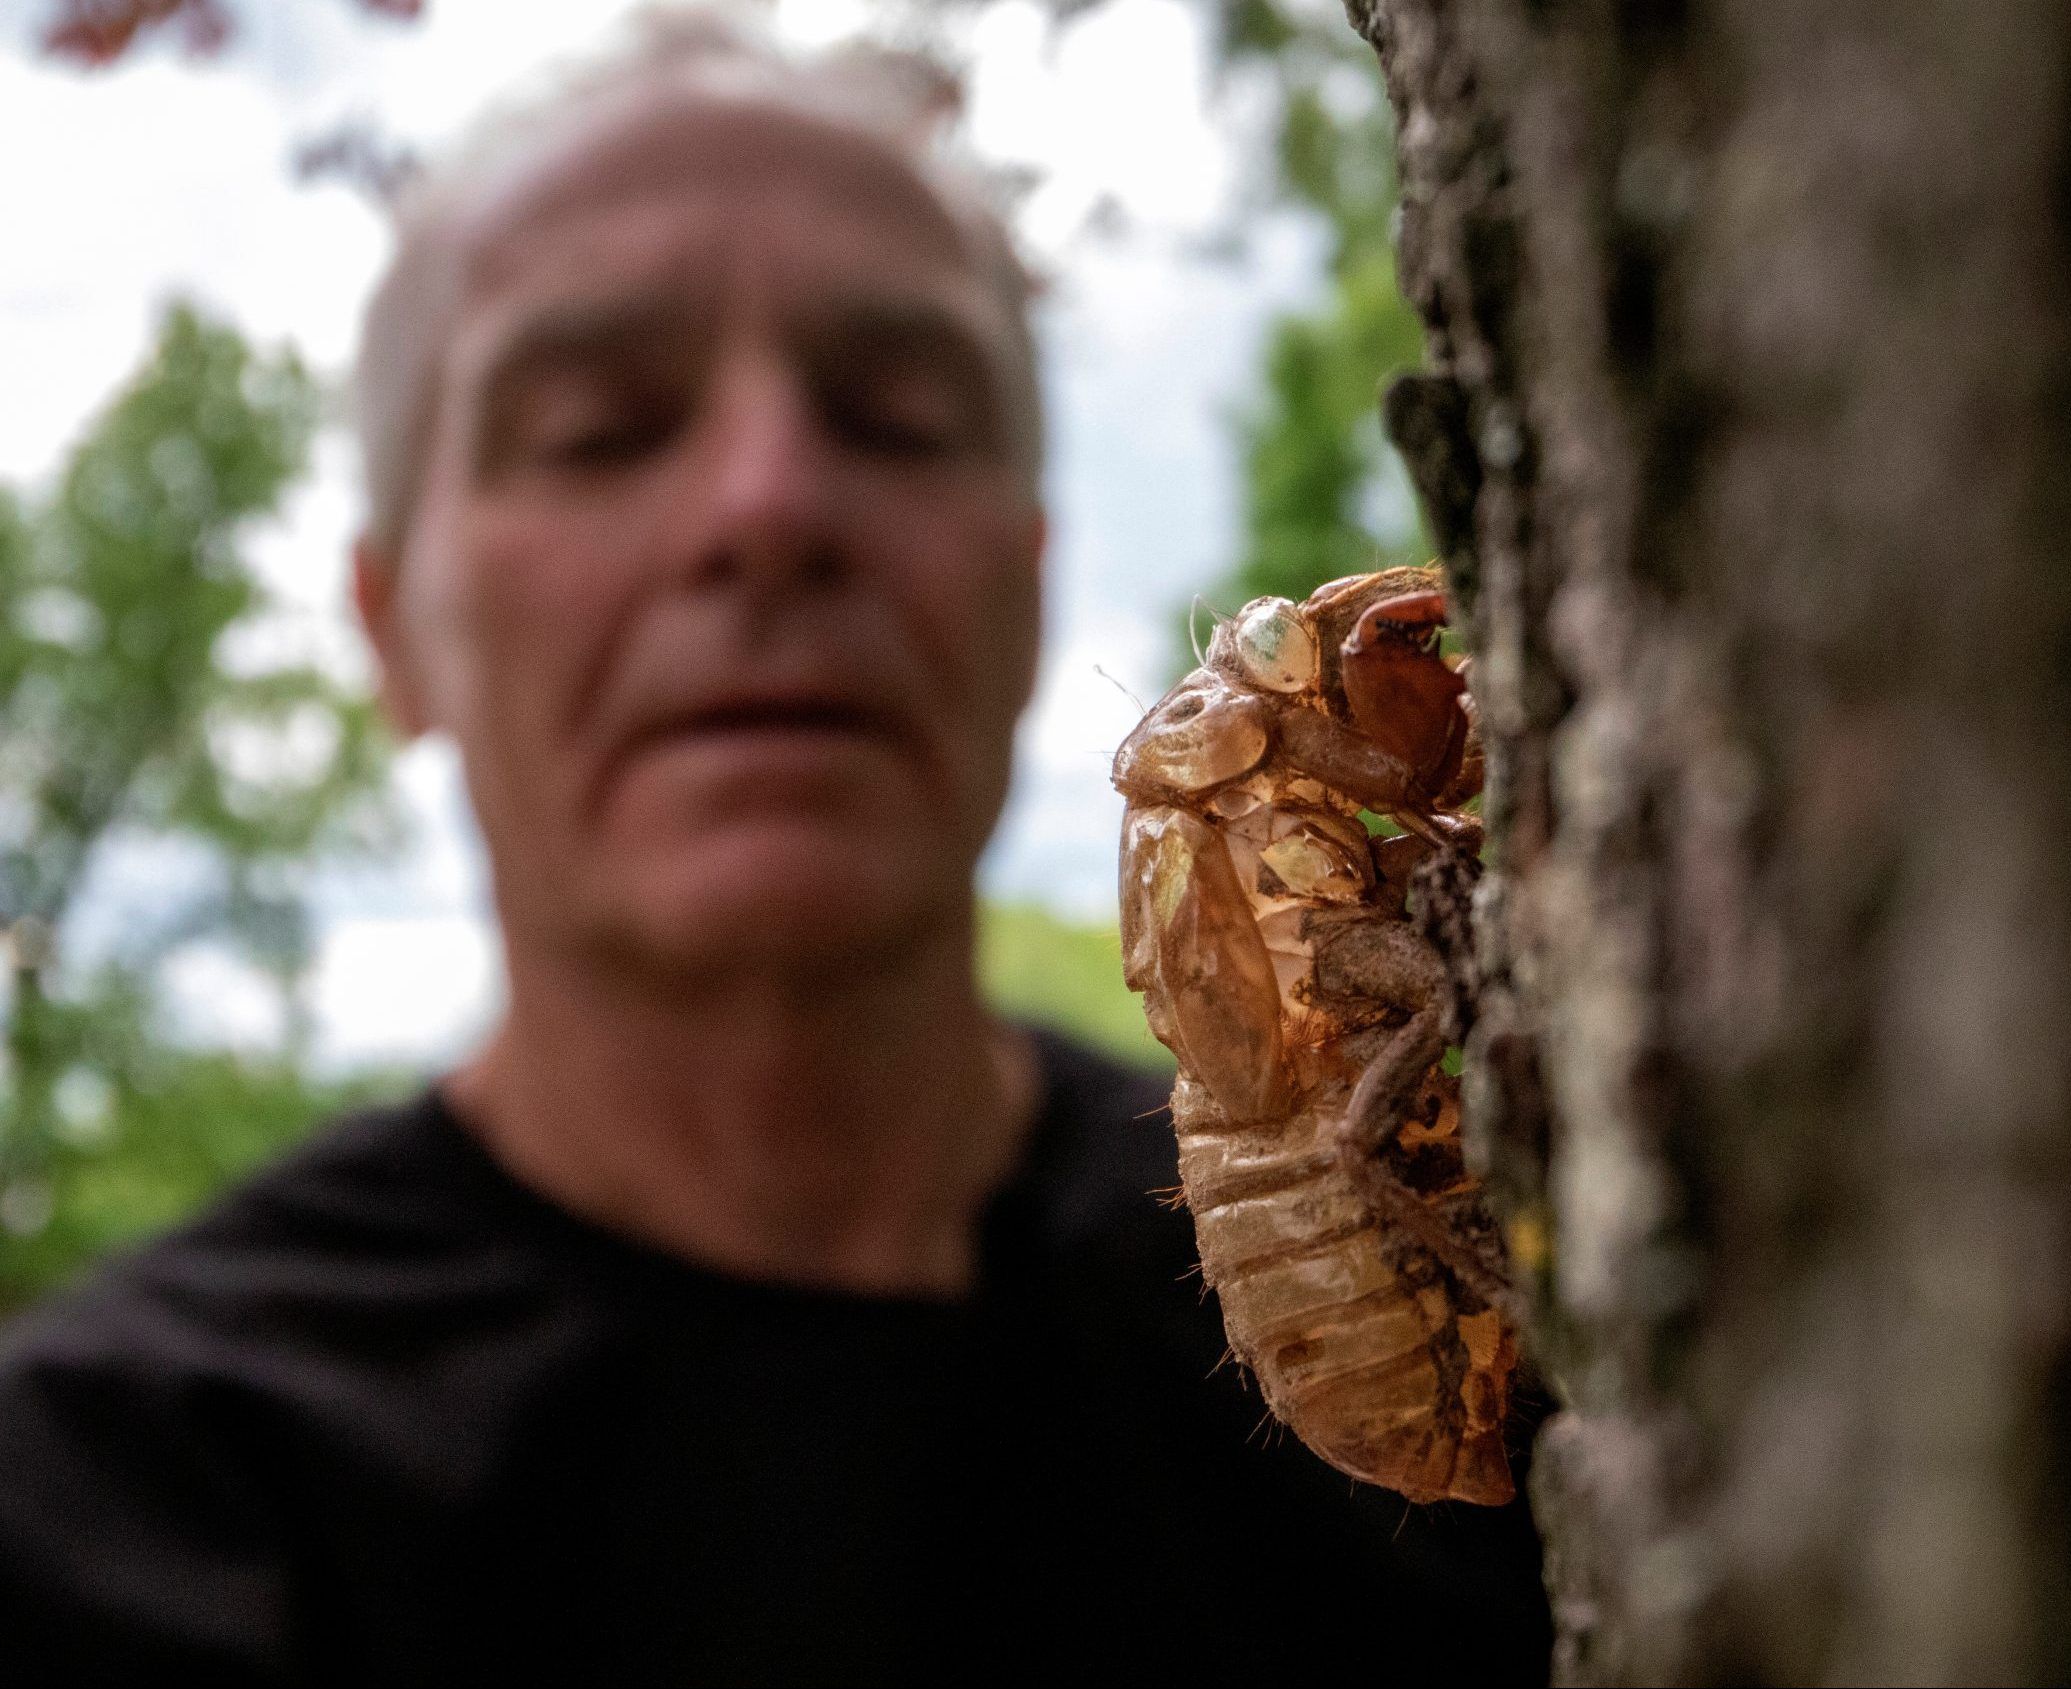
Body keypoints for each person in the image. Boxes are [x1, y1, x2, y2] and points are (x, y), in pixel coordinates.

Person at [0, 21, 1550, 1683]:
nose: (767, 504)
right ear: (391, 628)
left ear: (1028, 585)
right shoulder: (104, 1514)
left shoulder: (1576, 1331)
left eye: (893, 415)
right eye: (597, 427)